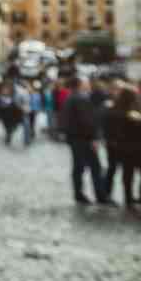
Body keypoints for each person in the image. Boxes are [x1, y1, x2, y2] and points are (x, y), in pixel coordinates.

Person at [102, 85, 141, 214]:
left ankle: (129, 199)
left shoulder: (112, 110)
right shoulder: (136, 113)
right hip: (136, 146)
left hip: (122, 147)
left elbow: (108, 129)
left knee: (128, 174)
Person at [60, 77, 108, 205]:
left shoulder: (72, 97)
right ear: (81, 84)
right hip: (83, 139)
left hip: (76, 138)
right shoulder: (81, 98)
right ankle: (99, 195)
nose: (88, 85)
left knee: (79, 167)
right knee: (93, 167)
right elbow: (87, 121)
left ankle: (79, 194)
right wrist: (93, 138)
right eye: (86, 83)